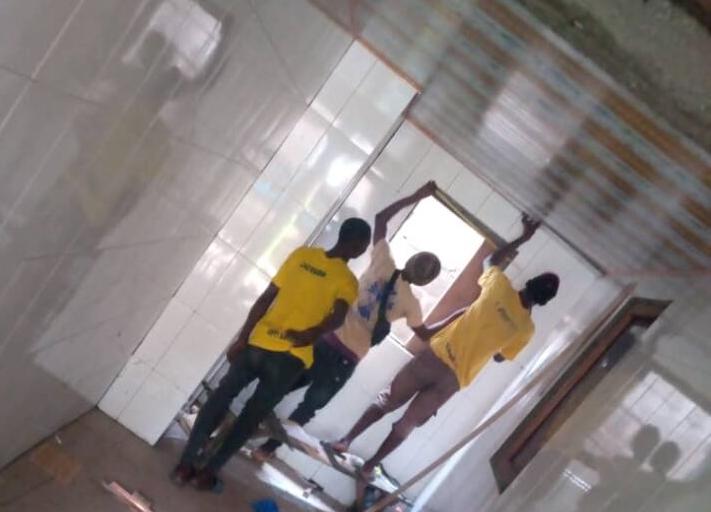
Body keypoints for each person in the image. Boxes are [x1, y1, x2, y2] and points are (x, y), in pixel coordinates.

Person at [330, 215, 560, 486]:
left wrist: (522, 238)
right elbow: (500, 357)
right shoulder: (526, 330)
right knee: (407, 425)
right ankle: (369, 467)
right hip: (455, 378)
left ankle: (345, 441)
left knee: (387, 400)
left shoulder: (498, 286)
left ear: (528, 282)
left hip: (435, 355)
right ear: (544, 302)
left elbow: (490, 260)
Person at [170, 217, 372, 489]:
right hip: (291, 357)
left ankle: (185, 466)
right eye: (364, 245)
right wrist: (311, 334)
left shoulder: (302, 255)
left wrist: (243, 338)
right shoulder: (347, 281)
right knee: (250, 418)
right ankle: (208, 473)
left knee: (219, 399)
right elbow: (337, 318)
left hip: (259, 344)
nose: (363, 249)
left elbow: (267, 297)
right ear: (358, 245)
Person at [257, 181, 442, 458]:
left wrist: (416, 196)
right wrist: (460, 315)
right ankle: (264, 451)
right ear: (425, 281)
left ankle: (241, 427)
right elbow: (425, 334)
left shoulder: (383, 261)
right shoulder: (412, 305)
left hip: (325, 337)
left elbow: (381, 218)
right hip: (347, 357)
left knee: (280, 385)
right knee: (307, 409)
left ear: (411, 260)